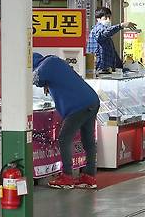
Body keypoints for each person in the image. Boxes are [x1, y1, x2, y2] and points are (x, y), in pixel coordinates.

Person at [32, 53, 100, 189]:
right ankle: (89, 177)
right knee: (88, 140)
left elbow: (35, 79)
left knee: (64, 139)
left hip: (77, 106)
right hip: (92, 101)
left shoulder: (44, 66)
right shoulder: (55, 61)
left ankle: (67, 176)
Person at [87, 7, 137, 73]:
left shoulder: (106, 35)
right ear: (98, 18)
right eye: (105, 17)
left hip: (104, 69)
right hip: (99, 69)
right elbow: (104, 33)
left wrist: (120, 67)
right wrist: (121, 26)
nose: (108, 20)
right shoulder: (98, 29)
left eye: (109, 17)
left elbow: (112, 53)